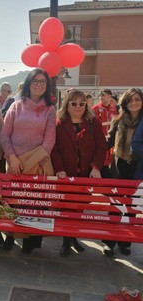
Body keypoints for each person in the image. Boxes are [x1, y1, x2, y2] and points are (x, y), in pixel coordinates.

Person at [0, 68, 56, 253]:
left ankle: (29, 241)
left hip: (39, 163)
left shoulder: (50, 109)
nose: (39, 85)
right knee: (13, 202)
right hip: (15, 163)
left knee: (33, 204)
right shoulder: (16, 106)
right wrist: (12, 158)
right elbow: (4, 135)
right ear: (29, 83)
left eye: (43, 82)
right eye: (35, 81)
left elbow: (49, 140)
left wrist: (35, 161)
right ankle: (9, 235)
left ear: (47, 86)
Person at [51, 89, 106, 257]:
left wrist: (96, 166)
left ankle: (73, 236)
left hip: (85, 174)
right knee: (66, 208)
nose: (78, 107)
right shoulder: (59, 123)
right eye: (74, 103)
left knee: (80, 208)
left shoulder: (93, 122)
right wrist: (59, 168)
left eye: (81, 104)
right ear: (67, 105)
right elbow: (54, 149)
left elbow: (101, 146)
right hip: (66, 174)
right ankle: (66, 241)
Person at [102, 88, 143, 257]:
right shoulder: (118, 120)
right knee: (115, 206)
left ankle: (125, 241)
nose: (134, 103)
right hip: (118, 168)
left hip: (137, 168)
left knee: (132, 207)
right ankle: (109, 242)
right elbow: (108, 142)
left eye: (137, 99)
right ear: (124, 103)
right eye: (130, 100)